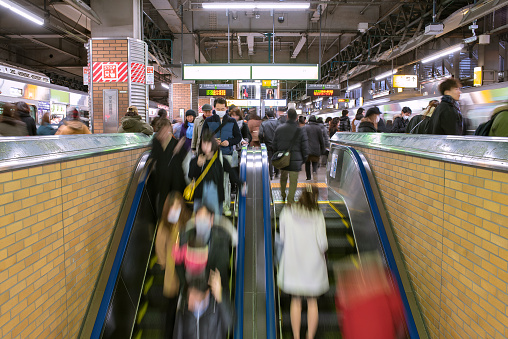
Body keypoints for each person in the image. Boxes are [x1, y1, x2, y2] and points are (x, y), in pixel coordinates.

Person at [277, 184, 329, 339]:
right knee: (312, 303)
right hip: (313, 266)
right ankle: (310, 336)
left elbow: (282, 238)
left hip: (293, 264)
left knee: (296, 301)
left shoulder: (286, 212)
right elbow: (323, 244)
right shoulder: (317, 215)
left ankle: (296, 336)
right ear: (315, 197)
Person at [155, 192, 192, 339]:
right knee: (171, 312)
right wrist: (165, 263)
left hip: (188, 270)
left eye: (178, 205)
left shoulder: (187, 220)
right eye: (173, 206)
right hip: (172, 273)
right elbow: (159, 247)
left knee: (186, 310)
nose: (176, 209)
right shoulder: (165, 224)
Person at [174, 203, 232, 291]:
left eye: (205, 217)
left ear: (211, 220)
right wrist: (186, 284)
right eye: (199, 217)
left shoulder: (221, 241)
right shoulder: (184, 237)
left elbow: (221, 269)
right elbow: (179, 264)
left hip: (211, 290)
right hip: (190, 288)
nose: (201, 220)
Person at [201, 98, 242, 217]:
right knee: (212, 181)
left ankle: (225, 205)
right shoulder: (208, 121)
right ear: (214, 108)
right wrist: (211, 141)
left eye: (222, 109)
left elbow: (238, 137)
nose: (220, 111)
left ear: (226, 108)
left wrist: (229, 142)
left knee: (225, 181)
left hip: (226, 154)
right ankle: (212, 206)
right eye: (218, 109)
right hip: (211, 156)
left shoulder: (232, 121)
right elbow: (203, 136)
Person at [189, 131, 243, 217]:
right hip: (200, 196)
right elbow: (191, 175)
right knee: (198, 222)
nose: (205, 147)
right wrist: (198, 166)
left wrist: (241, 184)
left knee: (215, 222)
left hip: (216, 196)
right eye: (204, 144)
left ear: (213, 144)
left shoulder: (220, 160)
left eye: (208, 144)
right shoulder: (196, 159)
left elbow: (231, 172)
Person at [172, 270, 234, 339]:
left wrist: (220, 297)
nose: (189, 303)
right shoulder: (183, 311)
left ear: (205, 294)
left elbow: (230, 323)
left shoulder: (216, 308)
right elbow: (177, 335)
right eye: (189, 296)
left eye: (194, 297)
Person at [149, 120, 188, 218]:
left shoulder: (175, 142)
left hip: (176, 178)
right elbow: (154, 157)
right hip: (162, 178)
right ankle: (163, 222)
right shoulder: (156, 141)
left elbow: (183, 158)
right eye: (163, 130)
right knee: (163, 200)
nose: (165, 132)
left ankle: (177, 222)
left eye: (167, 129)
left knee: (176, 200)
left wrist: (179, 149)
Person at [272, 108, 309, 204]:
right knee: (293, 181)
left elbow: (274, 145)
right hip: (296, 160)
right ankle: (290, 199)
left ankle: (283, 195)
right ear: (296, 118)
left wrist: (279, 155)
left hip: (284, 159)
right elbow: (305, 147)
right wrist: (303, 159)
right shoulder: (300, 130)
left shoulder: (279, 129)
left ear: (287, 116)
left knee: (283, 177)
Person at [260, 110, 281, 179]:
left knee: (270, 158)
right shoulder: (278, 123)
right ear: (274, 115)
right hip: (277, 143)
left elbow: (260, 134)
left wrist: (261, 141)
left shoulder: (264, 123)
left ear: (267, 116)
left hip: (268, 143)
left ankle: (271, 174)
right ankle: (277, 173)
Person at [304, 115, 325, 181]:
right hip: (316, 148)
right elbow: (321, 140)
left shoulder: (305, 127)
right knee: (315, 162)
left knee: (307, 164)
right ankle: (314, 172)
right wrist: (323, 149)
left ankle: (308, 177)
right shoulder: (318, 128)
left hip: (306, 149)